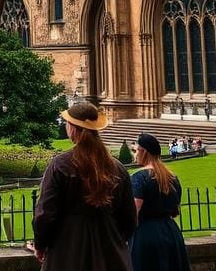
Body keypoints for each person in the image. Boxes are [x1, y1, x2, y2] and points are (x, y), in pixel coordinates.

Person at [32, 102, 137, 271]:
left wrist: (40, 244)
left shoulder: (60, 165)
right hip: (108, 249)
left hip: (67, 248)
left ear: (72, 128)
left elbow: (44, 214)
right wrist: (113, 238)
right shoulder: (117, 168)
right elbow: (129, 218)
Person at [130, 133, 191, 271]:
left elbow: (133, 212)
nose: (135, 154)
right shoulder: (172, 177)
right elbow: (175, 211)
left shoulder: (139, 177)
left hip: (146, 234)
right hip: (171, 232)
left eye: (136, 150)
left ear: (143, 151)